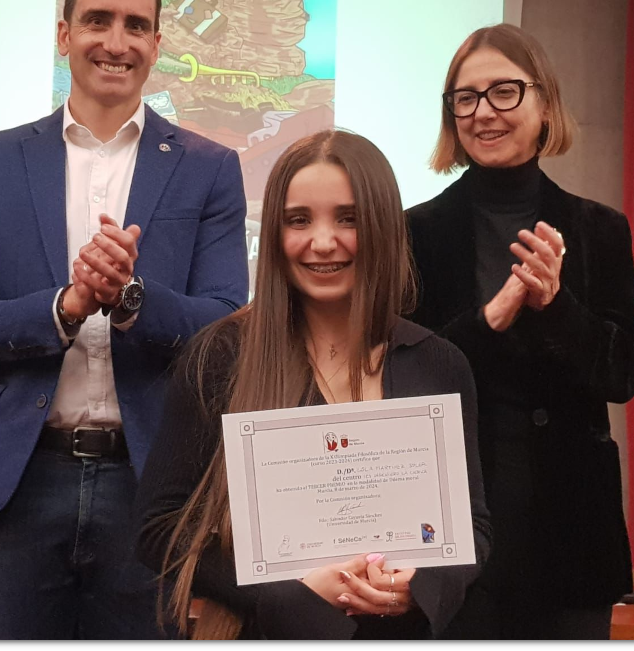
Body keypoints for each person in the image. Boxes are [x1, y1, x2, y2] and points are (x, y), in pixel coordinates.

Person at [0, 0, 248, 640]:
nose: (116, 41)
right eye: (97, 20)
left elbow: (226, 329)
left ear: (156, 44)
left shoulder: (210, 168)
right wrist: (66, 305)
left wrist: (131, 297)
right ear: (64, 35)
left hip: (150, 485)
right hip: (17, 487)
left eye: (136, 25)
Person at [134, 130, 491, 640]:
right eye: (298, 220)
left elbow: (471, 528)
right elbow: (159, 527)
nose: (322, 242)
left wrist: (418, 588)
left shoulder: (439, 364)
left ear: (383, 227)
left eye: (348, 218)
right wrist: (284, 590)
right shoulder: (221, 356)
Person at [405, 23, 634, 640]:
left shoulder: (600, 228)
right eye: (466, 98)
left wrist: (556, 305)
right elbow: (403, 382)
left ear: (544, 103)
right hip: (458, 535)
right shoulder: (415, 232)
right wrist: (489, 320)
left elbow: (626, 373)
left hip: (572, 539)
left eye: (504, 91)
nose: (483, 112)